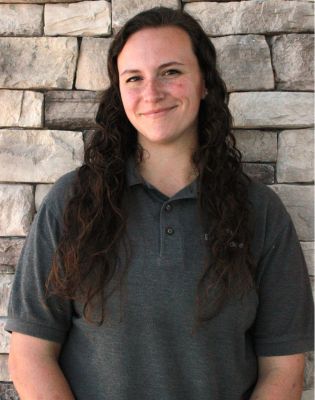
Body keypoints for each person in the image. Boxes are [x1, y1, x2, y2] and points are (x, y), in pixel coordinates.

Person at [6, 7, 313, 400]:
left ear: (204, 82)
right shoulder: (71, 204)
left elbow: (284, 366)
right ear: (119, 92)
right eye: (134, 78)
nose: (152, 92)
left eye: (171, 72)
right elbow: (31, 354)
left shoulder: (259, 211)